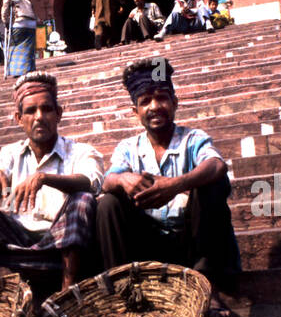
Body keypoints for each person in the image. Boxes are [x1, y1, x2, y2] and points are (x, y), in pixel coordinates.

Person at [95, 58, 241, 286]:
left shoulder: (194, 139)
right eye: (145, 101)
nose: (154, 106)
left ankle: (207, 284)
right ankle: (124, 288)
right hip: (147, 248)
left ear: (174, 102)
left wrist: (176, 185)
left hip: (193, 245)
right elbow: (107, 181)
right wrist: (123, 179)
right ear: (136, 111)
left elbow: (217, 165)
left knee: (213, 183)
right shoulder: (128, 148)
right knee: (107, 202)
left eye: (161, 98)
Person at [0, 72, 102, 291]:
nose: (39, 117)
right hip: (18, 242)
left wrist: (44, 178)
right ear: (19, 119)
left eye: (47, 109)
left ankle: (68, 295)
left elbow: (90, 182)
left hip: (64, 244)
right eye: (31, 111)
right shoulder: (10, 153)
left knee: (83, 199)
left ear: (59, 114)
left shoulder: (81, 151)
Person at [0, 0, 38, 78]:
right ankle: (28, 69)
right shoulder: (26, 1)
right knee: (28, 47)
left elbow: (4, 13)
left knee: (12, 45)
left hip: (19, 23)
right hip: (32, 24)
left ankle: (16, 70)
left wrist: (6, 23)